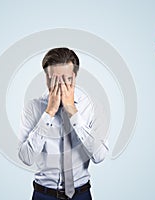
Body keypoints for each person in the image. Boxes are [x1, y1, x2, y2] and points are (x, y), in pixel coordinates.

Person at [18, 47, 108, 200]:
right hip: (43, 194)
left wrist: (73, 112)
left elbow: (99, 156)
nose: (60, 85)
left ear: (75, 76)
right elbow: (26, 157)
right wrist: (49, 113)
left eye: (67, 79)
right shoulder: (33, 108)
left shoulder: (92, 106)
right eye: (53, 79)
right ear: (46, 78)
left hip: (81, 194)